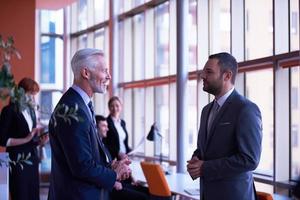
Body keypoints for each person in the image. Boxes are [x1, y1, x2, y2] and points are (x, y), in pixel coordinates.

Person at [48, 48, 130, 200]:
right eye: (104, 71)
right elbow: (81, 166)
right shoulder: (73, 109)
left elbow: (84, 156)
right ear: (86, 73)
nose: (109, 76)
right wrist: (115, 174)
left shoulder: (79, 104)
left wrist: (110, 166)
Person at [187, 52, 262, 200]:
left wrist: (204, 167)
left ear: (227, 76)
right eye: (203, 71)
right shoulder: (206, 110)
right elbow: (205, 148)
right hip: (207, 193)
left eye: (209, 72)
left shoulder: (246, 109)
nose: (202, 76)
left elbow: (250, 159)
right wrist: (196, 159)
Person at [0, 77, 49, 200]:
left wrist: (40, 142)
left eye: (34, 95)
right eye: (31, 94)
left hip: (32, 160)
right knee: (20, 195)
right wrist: (26, 139)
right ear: (21, 93)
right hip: (17, 162)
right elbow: (2, 140)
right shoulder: (8, 111)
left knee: (33, 195)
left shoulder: (31, 112)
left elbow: (31, 138)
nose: (33, 98)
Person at [97, 114, 149, 200]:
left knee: (146, 190)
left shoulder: (104, 146)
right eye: (104, 126)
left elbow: (107, 166)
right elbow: (99, 170)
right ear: (96, 127)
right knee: (143, 197)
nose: (107, 129)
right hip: (111, 184)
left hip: (115, 180)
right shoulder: (98, 148)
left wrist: (117, 165)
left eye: (107, 126)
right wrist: (114, 182)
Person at [103, 96, 132, 160]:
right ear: (109, 108)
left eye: (117, 106)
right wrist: (117, 153)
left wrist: (130, 151)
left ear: (121, 107)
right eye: (112, 106)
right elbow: (104, 143)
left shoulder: (122, 123)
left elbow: (123, 142)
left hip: (124, 158)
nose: (115, 108)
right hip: (113, 158)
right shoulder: (106, 122)